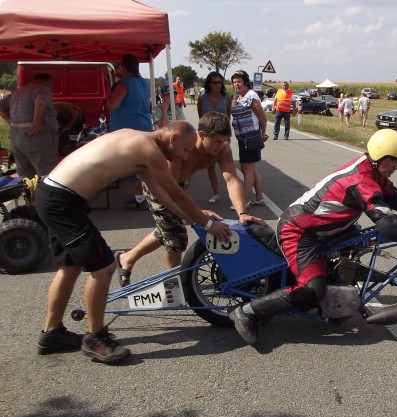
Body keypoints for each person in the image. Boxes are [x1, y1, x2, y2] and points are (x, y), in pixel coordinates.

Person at [229, 129, 397, 347]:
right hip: (299, 231)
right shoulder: (362, 180)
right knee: (312, 289)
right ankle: (248, 312)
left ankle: (337, 301)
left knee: (358, 241)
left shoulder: (373, 170)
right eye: (393, 160)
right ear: (380, 156)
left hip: (323, 229)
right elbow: (388, 224)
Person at [34, 121, 232, 364]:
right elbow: (177, 192)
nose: (186, 155)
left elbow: (163, 193)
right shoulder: (149, 150)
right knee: (104, 267)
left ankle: (51, 334)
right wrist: (208, 224)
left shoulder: (137, 140)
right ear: (173, 139)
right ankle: (95, 338)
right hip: (62, 202)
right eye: (186, 149)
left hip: (52, 193)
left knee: (70, 267)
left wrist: (191, 218)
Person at [114, 112, 266, 286]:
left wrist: (242, 212)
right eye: (216, 141)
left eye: (224, 141)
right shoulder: (183, 147)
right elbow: (171, 190)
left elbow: (231, 180)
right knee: (176, 237)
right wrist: (199, 216)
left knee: (168, 227)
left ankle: (126, 258)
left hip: (180, 185)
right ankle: (177, 285)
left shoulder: (223, 150)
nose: (221, 145)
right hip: (160, 185)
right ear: (202, 135)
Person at [107, 54, 153, 211]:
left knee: (134, 167)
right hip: (144, 126)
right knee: (143, 164)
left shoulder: (123, 84)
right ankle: (147, 196)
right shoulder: (144, 83)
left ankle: (140, 199)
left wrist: (108, 93)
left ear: (123, 67)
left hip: (128, 130)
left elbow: (113, 105)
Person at [0, 73, 58, 178]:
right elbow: (40, 100)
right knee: (46, 172)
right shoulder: (43, 89)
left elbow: (1, 105)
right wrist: (37, 122)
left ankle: (26, 194)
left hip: (16, 135)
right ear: (49, 82)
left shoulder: (18, 91)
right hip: (35, 136)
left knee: (24, 175)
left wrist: (10, 122)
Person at [230, 70, 268, 208]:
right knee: (251, 168)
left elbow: (262, 118)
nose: (236, 84)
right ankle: (259, 197)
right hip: (243, 137)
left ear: (245, 82)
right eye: (234, 82)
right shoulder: (240, 97)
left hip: (250, 137)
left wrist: (262, 134)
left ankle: (244, 200)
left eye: (239, 81)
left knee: (246, 169)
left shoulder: (251, 96)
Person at [198, 71, 232, 204]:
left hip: (223, 136)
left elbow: (228, 116)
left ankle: (232, 195)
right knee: (210, 166)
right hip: (208, 137)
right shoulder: (202, 98)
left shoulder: (227, 97)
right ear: (209, 83)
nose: (217, 85)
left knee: (226, 166)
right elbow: (201, 116)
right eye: (214, 82)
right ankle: (216, 193)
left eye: (220, 82)